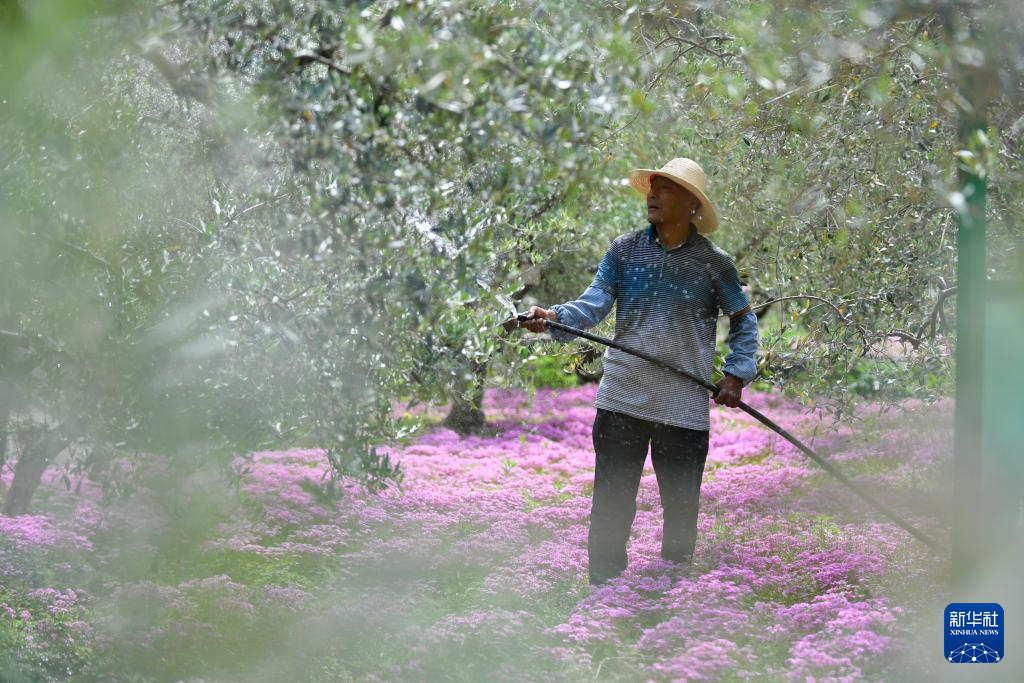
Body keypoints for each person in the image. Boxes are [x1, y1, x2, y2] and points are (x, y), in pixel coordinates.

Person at [519, 157, 759, 585]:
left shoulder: (714, 264)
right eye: (653, 186)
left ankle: (670, 598)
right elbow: (594, 303)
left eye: (665, 188)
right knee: (611, 506)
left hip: (683, 408)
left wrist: (735, 375)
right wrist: (554, 316)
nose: (653, 194)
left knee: (681, 511)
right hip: (622, 400)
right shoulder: (623, 250)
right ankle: (604, 599)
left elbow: (744, 320)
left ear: (691, 204)